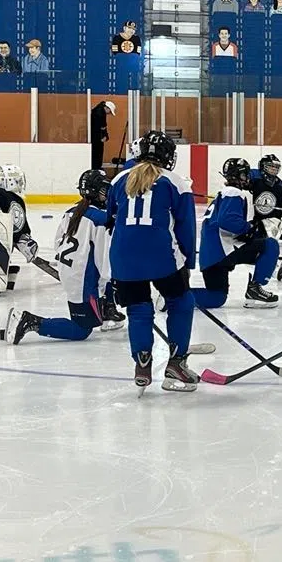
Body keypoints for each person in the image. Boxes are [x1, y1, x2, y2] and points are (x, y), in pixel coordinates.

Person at [107, 131, 198, 392]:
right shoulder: (176, 182)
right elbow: (186, 230)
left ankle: (142, 361)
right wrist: (187, 265)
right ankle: (176, 363)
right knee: (181, 302)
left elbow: (112, 216)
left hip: (123, 257)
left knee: (138, 309)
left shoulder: (119, 179)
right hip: (161, 256)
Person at [5, 170, 124, 344]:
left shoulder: (71, 212)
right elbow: (103, 261)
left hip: (70, 273)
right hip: (82, 280)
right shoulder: (100, 219)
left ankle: (103, 311)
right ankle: (30, 321)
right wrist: (112, 283)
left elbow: (57, 244)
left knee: (92, 317)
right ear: (97, 191)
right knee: (81, 330)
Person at [190, 158, 279, 310]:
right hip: (222, 252)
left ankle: (174, 296)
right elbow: (227, 220)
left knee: (216, 297)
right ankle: (255, 290)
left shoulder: (222, 194)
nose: (248, 178)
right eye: (245, 175)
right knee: (270, 245)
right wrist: (249, 228)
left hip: (210, 256)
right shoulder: (233, 192)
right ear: (238, 176)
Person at [89, 100, 116, 172]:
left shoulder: (98, 111)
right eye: (109, 112)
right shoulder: (99, 114)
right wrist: (102, 137)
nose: (109, 114)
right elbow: (100, 127)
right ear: (107, 108)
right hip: (96, 140)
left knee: (96, 155)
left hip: (96, 139)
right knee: (96, 155)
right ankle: (96, 170)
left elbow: (103, 127)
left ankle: (97, 169)